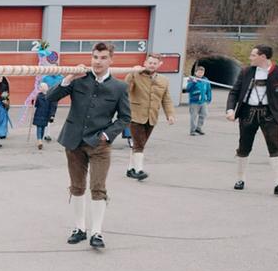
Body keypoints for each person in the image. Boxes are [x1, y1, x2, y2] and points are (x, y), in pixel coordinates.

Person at [46, 42, 131, 249]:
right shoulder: (79, 80)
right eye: (95, 57)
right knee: (77, 186)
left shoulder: (119, 87)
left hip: (99, 144)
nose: (98, 62)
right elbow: (50, 97)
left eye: (103, 58)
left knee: (98, 188)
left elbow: (125, 118)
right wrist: (68, 79)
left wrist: (106, 134)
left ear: (111, 59)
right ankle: (79, 228)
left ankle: (97, 233)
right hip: (74, 140)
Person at [226, 44, 278, 195]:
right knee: (244, 146)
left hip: (270, 113)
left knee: (276, 147)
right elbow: (234, 92)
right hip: (248, 112)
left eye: (253, 55)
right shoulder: (246, 71)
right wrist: (230, 109)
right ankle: (240, 179)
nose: (250, 58)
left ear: (263, 57)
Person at [124, 53, 176, 181]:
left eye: (155, 63)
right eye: (150, 62)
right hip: (135, 115)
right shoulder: (136, 74)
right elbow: (125, 87)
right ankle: (139, 170)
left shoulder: (163, 80)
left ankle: (130, 169)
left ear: (159, 65)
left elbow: (166, 99)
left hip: (152, 117)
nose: (152, 65)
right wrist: (132, 72)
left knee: (139, 144)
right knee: (139, 145)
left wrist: (170, 114)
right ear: (145, 63)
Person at [184, 64, 212, 135]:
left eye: (202, 72)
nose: (200, 74)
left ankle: (198, 128)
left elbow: (208, 90)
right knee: (194, 116)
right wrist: (193, 82)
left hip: (203, 101)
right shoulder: (192, 79)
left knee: (204, 114)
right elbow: (188, 89)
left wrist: (209, 98)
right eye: (199, 72)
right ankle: (192, 130)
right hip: (194, 101)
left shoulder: (205, 80)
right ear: (196, 72)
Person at [32, 81, 58, 150]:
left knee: (42, 127)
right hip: (39, 113)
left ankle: (40, 139)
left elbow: (53, 106)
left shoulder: (51, 96)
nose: (39, 88)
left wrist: (52, 115)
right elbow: (36, 105)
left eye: (40, 87)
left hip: (46, 114)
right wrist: (33, 101)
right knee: (39, 127)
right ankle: (39, 140)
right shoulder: (38, 96)